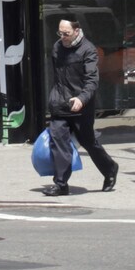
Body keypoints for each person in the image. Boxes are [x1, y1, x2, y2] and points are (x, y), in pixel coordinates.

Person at [44, 16, 117, 196]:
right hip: (60, 104)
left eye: (66, 33)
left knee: (88, 141)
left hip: (80, 106)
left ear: (76, 31)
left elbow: (92, 81)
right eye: (59, 33)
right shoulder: (57, 47)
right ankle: (61, 184)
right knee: (59, 142)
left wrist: (81, 99)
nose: (62, 37)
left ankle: (110, 169)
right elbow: (58, 78)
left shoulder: (88, 50)